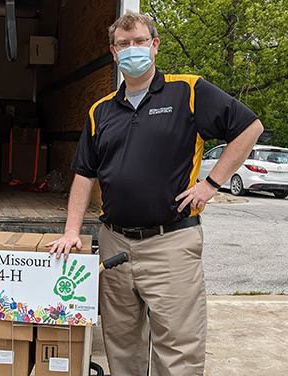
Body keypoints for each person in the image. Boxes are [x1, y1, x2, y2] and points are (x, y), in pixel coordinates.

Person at [47, 10, 263, 376]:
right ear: (113, 53)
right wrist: (71, 231)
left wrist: (210, 185)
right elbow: (84, 174)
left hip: (171, 245)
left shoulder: (188, 91)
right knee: (122, 345)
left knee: (178, 349)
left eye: (139, 42)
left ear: (155, 45)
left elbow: (249, 127)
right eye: (123, 44)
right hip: (114, 244)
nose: (132, 49)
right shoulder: (101, 111)